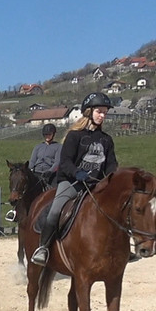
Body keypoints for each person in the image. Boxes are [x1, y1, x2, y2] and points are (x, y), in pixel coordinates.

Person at [30, 92, 118, 266]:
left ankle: (118, 247)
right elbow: (65, 162)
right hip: (73, 182)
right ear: (89, 112)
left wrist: (111, 179)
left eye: (105, 112)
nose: (102, 115)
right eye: (99, 111)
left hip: (96, 185)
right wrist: (77, 172)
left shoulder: (106, 140)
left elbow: (111, 165)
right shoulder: (74, 136)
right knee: (55, 210)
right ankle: (43, 248)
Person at [28, 123, 61, 188]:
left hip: (49, 173)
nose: (47, 136)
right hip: (37, 172)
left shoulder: (58, 147)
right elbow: (32, 161)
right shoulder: (38, 147)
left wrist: (50, 171)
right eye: (46, 134)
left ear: (53, 134)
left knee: (54, 189)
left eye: (49, 134)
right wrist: (29, 169)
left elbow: (57, 162)